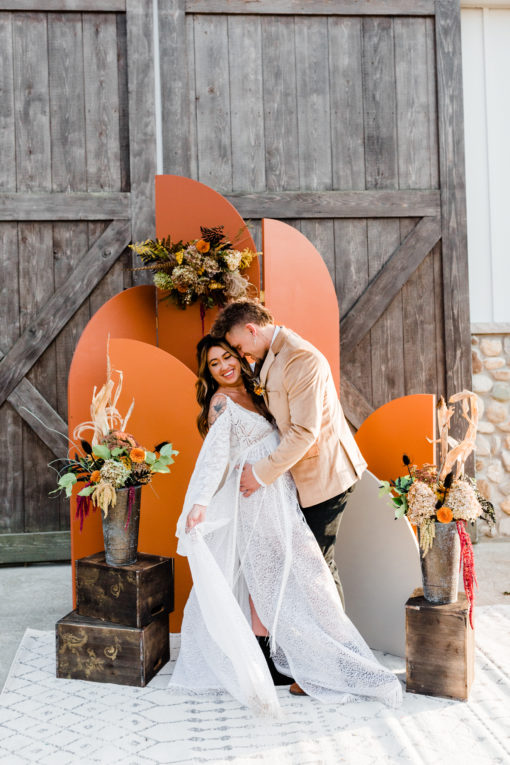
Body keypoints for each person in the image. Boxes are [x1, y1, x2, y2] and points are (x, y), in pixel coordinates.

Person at [168, 334, 402, 713]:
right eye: (214, 364)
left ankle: (309, 652)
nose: (225, 366)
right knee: (266, 571)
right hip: (253, 498)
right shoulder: (220, 402)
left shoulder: (259, 392)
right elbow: (214, 456)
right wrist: (198, 503)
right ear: (208, 373)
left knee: (285, 571)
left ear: (239, 357)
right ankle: (269, 655)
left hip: (279, 494)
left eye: (228, 357)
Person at [211, 300, 367, 621]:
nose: (241, 355)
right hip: (300, 477)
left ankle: (341, 657)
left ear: (252, 329)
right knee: (307, 568)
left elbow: (303, 432)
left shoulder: (300, 358)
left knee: (318, 569)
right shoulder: (269, 354)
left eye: (239, 346)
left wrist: (260, 473)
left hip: (324, 477)